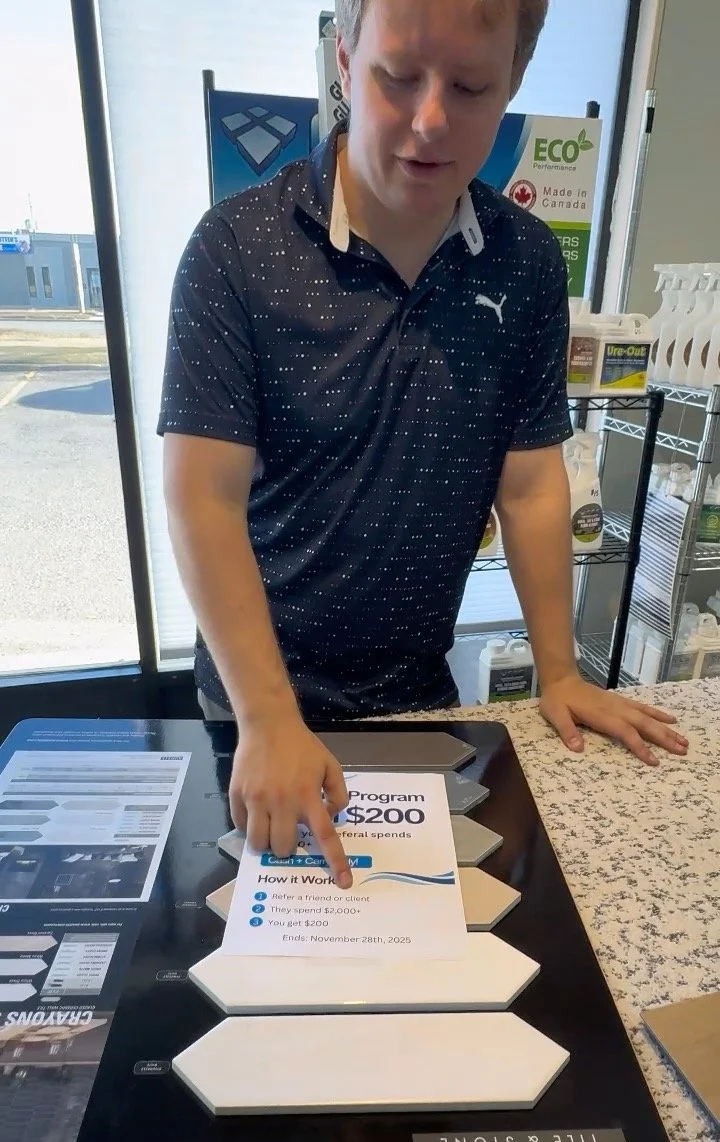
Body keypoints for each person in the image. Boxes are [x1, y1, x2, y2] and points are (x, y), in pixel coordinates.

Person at [159, 0, 688, 890]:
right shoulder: (237, 250)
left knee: (430, 923)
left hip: (418, 691)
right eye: (398, 77)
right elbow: (200, 498)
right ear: (344, 57)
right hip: (255, 699)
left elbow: (530, 485)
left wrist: (560, 670)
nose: (431, 119)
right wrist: (267, 715)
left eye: (471, 87)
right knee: (274, 932)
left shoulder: (524, 262)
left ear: (513, 81)